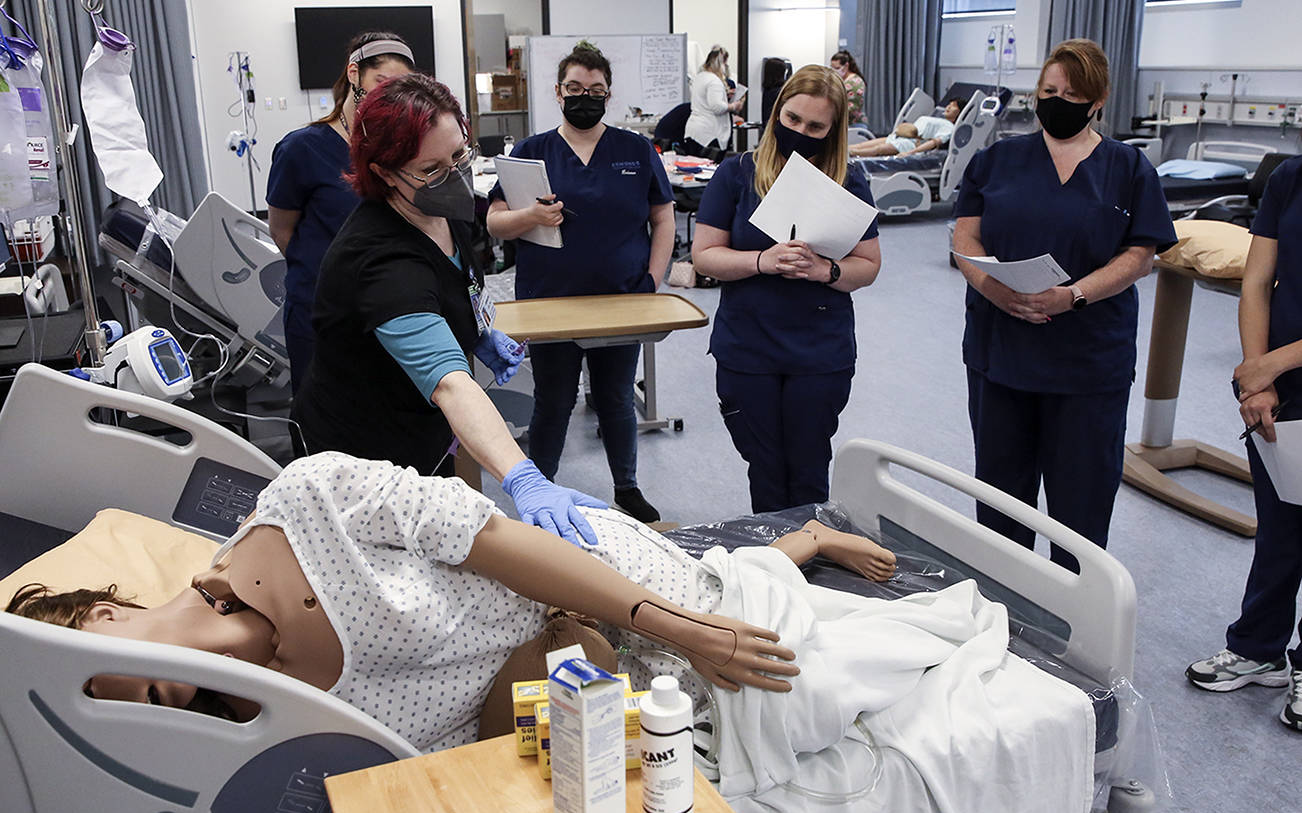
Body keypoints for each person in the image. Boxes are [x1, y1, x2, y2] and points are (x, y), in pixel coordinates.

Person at [5, 450, 904, 753]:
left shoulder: (313, 500)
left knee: (725, 604)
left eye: (161, 687)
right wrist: (566, 654)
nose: (206, 682)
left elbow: (507, 544)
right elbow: (480, 738)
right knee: (781, 697)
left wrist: (663, 626)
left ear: (104, 617)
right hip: (585, 673)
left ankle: (809, 539)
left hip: (589, 575)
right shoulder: (283, 727)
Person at [290, 73, 603, 545]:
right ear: (382, 172)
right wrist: (523, 478)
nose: (454, 175)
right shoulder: (383, 262)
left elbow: (456, 284)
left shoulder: (439, 209)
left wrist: (478, 334)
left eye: (459, 155)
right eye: (431, 168)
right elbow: (453, 386)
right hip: (358, 454)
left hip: (421, 429)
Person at [951, 39, 1176, 571]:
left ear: (1098, 100)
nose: (1057, 101)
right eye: (1049, 91)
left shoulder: (1127, 168)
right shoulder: (997, 160)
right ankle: (1005, 613)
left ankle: (1075, 629)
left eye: (1072, 94)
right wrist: (995, 289)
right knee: (1002, 498)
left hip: (1088, 363)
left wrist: (1072, 295)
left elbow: (1140, 256)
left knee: (1081, 506)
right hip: (1001, 352)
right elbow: (965, 238)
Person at [485, 42, 674, 523]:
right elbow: (495, 223)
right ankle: (539, 489)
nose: (584, 97)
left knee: (615, 397)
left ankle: (627, 489)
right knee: (554, 400)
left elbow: (663, 217)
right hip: (550, 303)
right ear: (558, 92)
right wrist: (531, 214)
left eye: (595, 90)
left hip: (622, 300)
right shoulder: (531, 153)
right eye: (574, 88)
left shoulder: (634, 150)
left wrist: (652, 281)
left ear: (608, 96)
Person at [691, 65, 882, 514]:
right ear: (778, 112)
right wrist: (763, 261)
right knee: (766, 468)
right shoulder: (737, 174)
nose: (800, 131)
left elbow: (869, 265)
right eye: (792, 119)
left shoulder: (849, 181)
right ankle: (775, 567)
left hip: (818, 352)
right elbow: (704, 256)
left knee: (809, 466)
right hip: (749, 348)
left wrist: (826, 271)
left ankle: (811, 570)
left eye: (815, 126)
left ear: (833, 132)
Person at [1185, 153, 1302, 732]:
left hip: (1282, 367)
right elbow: (1257, 282)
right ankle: (1258, 648)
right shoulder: (1290, 177)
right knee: (1279, 524)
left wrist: (1270, 365)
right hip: (1278, 386)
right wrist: (1258, 376)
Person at [266, 32, 415, 393]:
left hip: (386, 309)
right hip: (320, 312)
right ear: (354, 74)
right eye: (382, 82)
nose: (388, 95)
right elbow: (282, 231)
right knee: (324, 421)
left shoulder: (399, 152)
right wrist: (330, 271)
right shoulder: (302, 149)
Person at [850, 98, 966, 158]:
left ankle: (846, 155)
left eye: (954, 106)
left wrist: (910, 153)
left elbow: (933, 143)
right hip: (899, 137)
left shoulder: (950, 128)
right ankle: (840, 150)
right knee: (861, 145)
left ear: (960, 112)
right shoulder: (939, 120)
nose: (949, 107)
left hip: (909, 144)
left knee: (877, 149)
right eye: (949, 104)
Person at [683, 45, 744, 159]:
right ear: (720, 64)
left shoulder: (700, 77)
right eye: (725, 64)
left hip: (694, 130)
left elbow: (706, 100)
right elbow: (716, 107)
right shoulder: (714, 81)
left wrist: (724, 95)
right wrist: (734, 106)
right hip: (709, 134)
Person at [828, 50, 866, 128]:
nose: (834, 71)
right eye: (832, 68)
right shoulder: (841, 81)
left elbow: (852, 108)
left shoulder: (855, 83)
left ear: (846, 66)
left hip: (853, 124)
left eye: (837, 68)